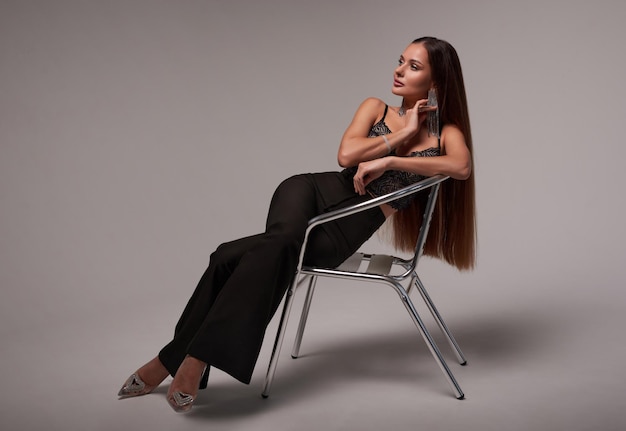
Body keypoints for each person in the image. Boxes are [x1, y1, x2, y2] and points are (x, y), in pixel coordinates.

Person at [118, 36, 476, 412]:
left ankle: (171, 360)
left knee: (228, 256)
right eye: (400, 61)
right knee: (284, 240)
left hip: (343, 231)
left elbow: (461, 168)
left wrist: (391, 162)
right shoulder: (376, 107)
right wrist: (400, 136)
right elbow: (346, 155)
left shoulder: (444, 135)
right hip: (309, 191)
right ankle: (195, 359)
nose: (399, 70)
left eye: (413, 67)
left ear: (435, 84)